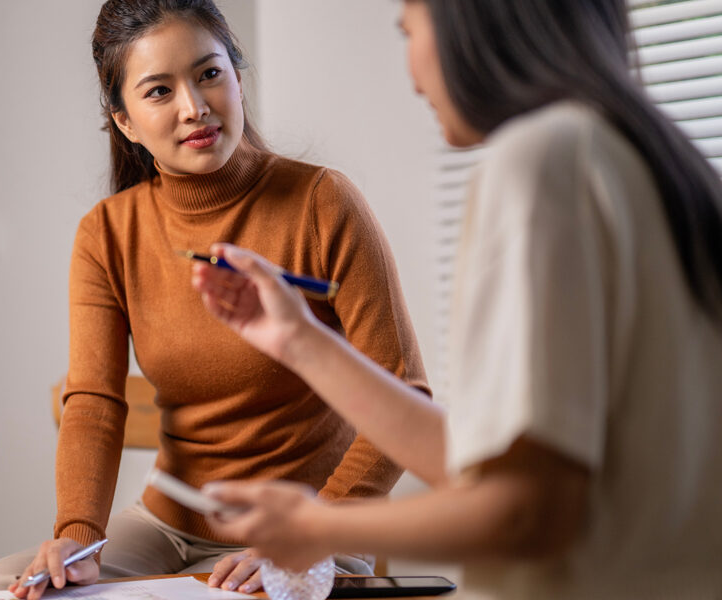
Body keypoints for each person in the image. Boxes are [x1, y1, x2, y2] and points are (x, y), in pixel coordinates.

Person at [191, 1, 722, 598]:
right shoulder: (658, 166)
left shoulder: (542, 161)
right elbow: (490, 469)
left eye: (409, 31)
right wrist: (299, 340)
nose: (412, 71)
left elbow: (530, 514)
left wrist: (315, 526)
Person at [0, 1, 429, 597]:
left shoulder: (323, 202)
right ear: (124, 121)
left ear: (238, 74)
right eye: (158, 91)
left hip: (313, 524)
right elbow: (94, 404)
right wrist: (77, 535)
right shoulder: (107, 233)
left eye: (209, 73)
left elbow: (404, 391)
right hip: (169, 525)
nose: (194, 107)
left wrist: (317, 529)